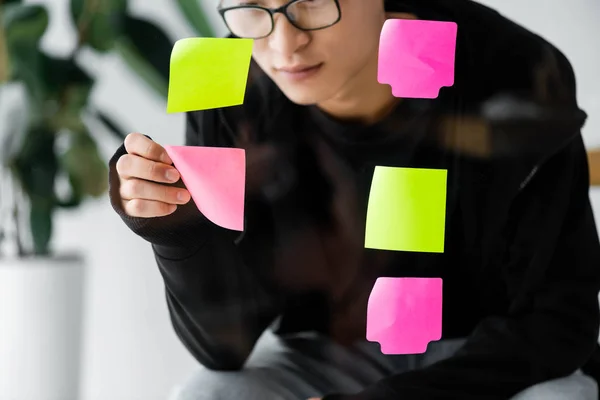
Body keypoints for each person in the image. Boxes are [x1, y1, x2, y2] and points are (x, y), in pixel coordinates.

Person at [108, 0, 600, 399]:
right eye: (253, 7)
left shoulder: (511, 68)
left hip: (488, 358)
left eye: (315, 3)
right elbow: (224, 351)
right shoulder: (224, 76)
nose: (285, 43)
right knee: (210, 393)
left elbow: (561, 324)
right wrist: (175, 232)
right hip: (322, 355)